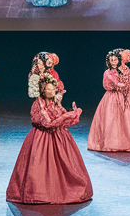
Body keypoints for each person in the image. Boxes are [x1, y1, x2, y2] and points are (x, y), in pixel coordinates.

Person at [6, 73, 92, 205]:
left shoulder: (55, 103)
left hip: (59, 137)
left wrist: (74, 115)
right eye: (49, 89)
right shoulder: (37, 104)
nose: (52, 92)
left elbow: (63, 121)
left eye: (53, 89)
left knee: (65, 165)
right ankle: (41, 193)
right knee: (40, 166)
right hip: (41, 138)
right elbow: (47, 123)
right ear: (43, 90)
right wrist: (66, 116)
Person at [87, 48, 130, 152]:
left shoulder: (126, 71)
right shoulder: (108, 73)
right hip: (111, 98)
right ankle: (112, 143)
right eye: (111, 60)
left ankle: (128, 142)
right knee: (111, 120)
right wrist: (123, 85)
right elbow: (116, 83)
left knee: (127, 120)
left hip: (126, 97)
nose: (113, 62)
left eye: (115, 60)